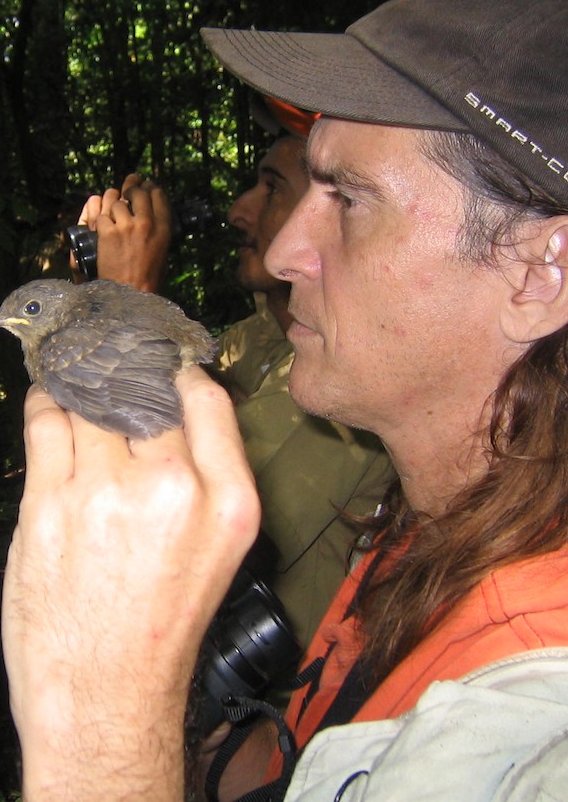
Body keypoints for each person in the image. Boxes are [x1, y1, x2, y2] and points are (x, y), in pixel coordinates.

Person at [1, 0, 568, 800]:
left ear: (541, 273)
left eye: (349, 199)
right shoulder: (448, 519)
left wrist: (100, 721)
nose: (287, 254)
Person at [75, 105, 393, 651]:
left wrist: (132, 303)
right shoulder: (260, 335)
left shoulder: (353, 379)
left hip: (273, 716)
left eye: (271, 190)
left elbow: (186, 534)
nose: (237, 211)